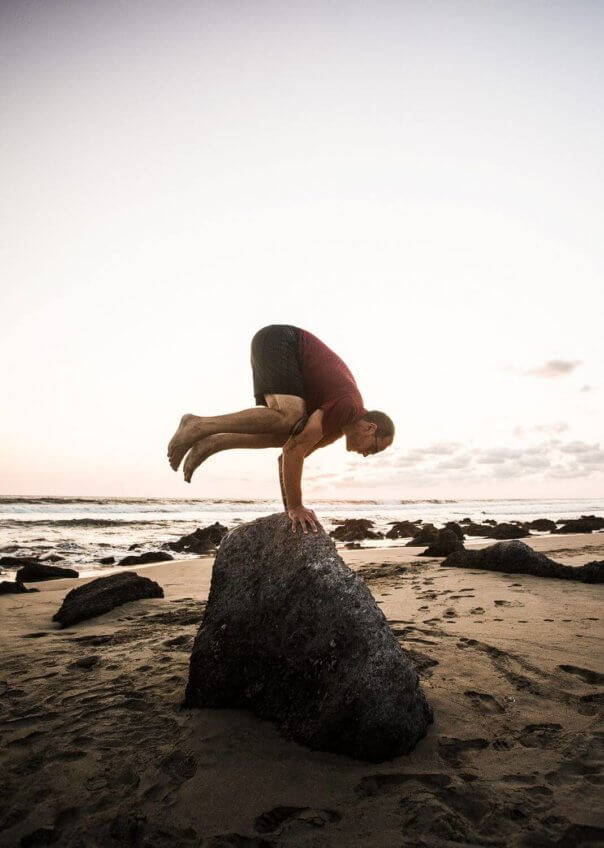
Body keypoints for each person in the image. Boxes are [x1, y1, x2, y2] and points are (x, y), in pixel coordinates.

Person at [167, 325, 394, 533]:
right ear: (369, 428)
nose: (367, 454)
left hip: (278, 350)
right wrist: (296, 507)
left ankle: (214, 442)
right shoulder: (349, 407)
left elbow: (288, 453)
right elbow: (293, 451)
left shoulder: (336, 427)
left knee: (289, 431)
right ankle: (198, 424)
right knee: (290, 417)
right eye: (373, 448)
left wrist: (291, 513)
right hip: (283, 341)